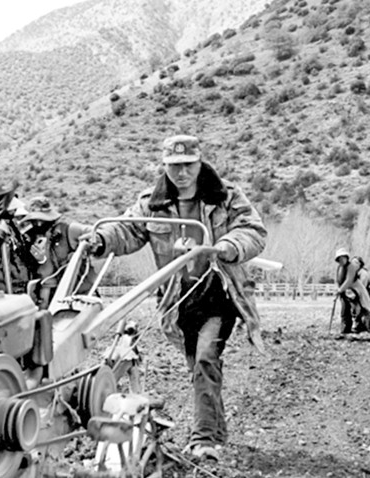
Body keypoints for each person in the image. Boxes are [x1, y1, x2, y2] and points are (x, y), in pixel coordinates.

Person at [83, 134, 267, 462]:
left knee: (206, 359)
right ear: (164, 166)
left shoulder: (225, 196)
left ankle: (203, 439)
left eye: (188, 165)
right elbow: (126, 230)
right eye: (173, 166)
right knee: (199, 367)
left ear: (199, 162)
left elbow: (253, 230)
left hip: (218, 294)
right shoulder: (152, 203)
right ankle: (216, 432)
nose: (181, 173)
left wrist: (228, 246)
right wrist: (100, 240)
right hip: (177, 301)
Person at [18, 196, 93, 308]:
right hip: (49, 298)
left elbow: (96, 233)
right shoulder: (30, 237)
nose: (39, 223)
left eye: (42, 219)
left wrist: (85, 249)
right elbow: (43, 275)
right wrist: (40, 260)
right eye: (35, 220)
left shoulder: (69, 230)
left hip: (77, 297)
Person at [334, 248, 370, 334]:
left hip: (356, 290)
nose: (342, 260)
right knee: (345, 310)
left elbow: (349, 280)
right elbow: (339, 280)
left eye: (343, 258)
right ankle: (345, 329)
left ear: (346, 258)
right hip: (346, 291)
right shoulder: (340, 268)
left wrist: (340, 290)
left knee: (365, 308)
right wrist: (339, 290)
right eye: (340, 258)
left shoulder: (351, 267)